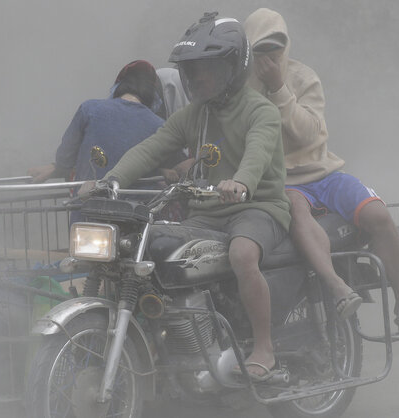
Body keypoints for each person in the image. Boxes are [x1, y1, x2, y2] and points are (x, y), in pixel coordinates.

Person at [80, 12, 290, 379]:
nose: (194, 77)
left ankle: (263, 346)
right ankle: (178, 344)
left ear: (232, 66)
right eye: (190, 69)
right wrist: (109, 181)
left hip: (257, 208)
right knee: (153, 248)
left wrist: (239, 182)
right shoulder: (193, 115)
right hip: (207, 212)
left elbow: (256, 155)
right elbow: (151, 149)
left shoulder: (262, 110)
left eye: (205, 67)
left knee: (242, 253)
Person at [243, 8, 399, 333]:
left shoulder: (303, 78)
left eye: (276, 47)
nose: (269, 57)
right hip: (284, 183)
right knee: (298, 214)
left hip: (326, 174)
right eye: (260, 49)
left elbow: (309, 133)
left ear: (285, 45)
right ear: (249, 51)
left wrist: (278, 89)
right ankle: (337, 287)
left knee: (379, 216)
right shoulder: (243, 91)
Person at [27, 60, 181, 184]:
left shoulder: (89, 109)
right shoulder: (158, 125)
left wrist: (58, 167)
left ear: (118, 86)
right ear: (152, 95)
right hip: (137, 212)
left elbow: (65, 158)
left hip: (89, 208)